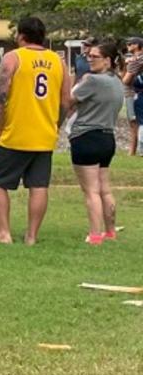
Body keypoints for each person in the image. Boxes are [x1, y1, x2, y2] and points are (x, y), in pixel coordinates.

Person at [0, 16, 70, 246]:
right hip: (44, 135)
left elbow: (0, 97)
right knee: (39, 186)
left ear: (20, 35)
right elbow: (66, 101)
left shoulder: (13, 58)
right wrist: (56, 125)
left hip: (14, 134)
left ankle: (4, 232)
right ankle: (32, 236)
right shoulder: (58, 61)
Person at [68, 40, 124, 245]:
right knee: (105, 189)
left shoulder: (92, 80)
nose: (89, 59)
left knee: (91, 191)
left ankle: (95, 235)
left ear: (108, 60)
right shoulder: (117, 81)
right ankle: (110, 232)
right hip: (107, 137)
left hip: (86, 137)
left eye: (94, 56)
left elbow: (68, 99)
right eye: (87, 56)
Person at [120, 37, 143, 157]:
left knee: (134, 122)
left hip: (133, 93)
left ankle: (132, 151)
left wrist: (127, 65)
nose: (127, 45)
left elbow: (125, 80)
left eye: (130, 43)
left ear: (138, 45)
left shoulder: (136, 60)